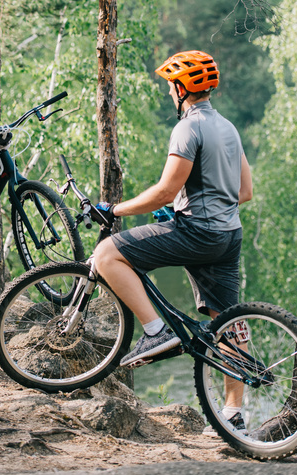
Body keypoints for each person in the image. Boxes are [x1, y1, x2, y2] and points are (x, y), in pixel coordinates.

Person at [94, 49, 253, 428]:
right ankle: (234, 413)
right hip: (228, 235)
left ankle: (156, 333)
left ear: (183, 88)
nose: (169, 91)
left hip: (198, 233)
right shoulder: (227, 128)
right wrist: (193, 202)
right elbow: (244, 191)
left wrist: (113, 210)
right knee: (227, 321)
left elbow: (166, 190)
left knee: (106, 255)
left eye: (170, 85)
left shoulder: (187, 127)